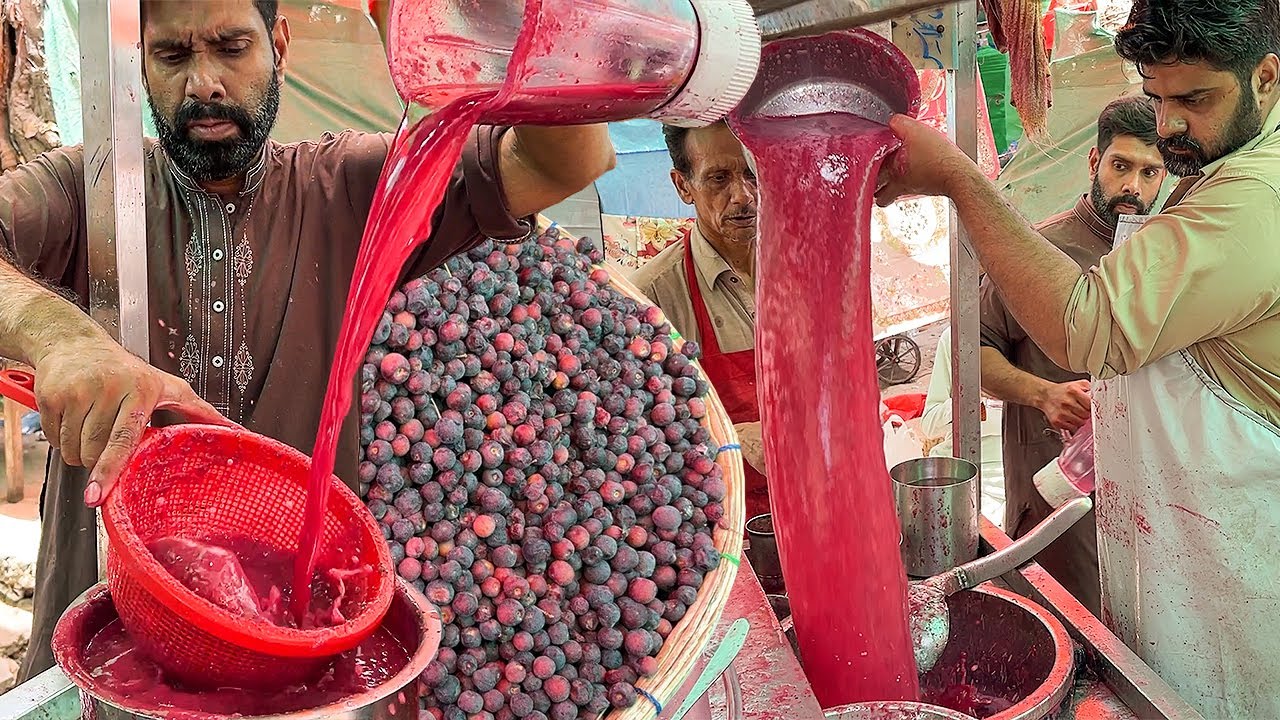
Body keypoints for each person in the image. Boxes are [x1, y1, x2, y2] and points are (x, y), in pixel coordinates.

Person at [2, 0, 616, 680]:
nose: (203, 83)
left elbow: (562, 164)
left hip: (284, 641)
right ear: (140, 63)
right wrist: (59, 335)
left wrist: (523, 22)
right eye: (172, 55)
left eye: (232, 47)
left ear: (280, 44)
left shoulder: (348, 187)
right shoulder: (88, 189)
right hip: (99, 625)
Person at [877, 0, 1280, 713]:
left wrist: (963, 181)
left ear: (1267, 78)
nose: (1169, 126)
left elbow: (1086, 327)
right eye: (1157, 97)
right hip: (1182, 549)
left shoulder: (1256, 197)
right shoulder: (1215, 172)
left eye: (1194, 100)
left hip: (1238, 567)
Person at [979, 96, 1166, 615]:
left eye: (1149, 172)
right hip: (1056, 487)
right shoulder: (1040, 252)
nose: (1133, 186)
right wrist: (1044, 394)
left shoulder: (1163, 255)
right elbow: (973, 352)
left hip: (1143, 494)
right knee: (1064, 623)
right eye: (1121, 166)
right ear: (1094, 161)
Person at [629, 121, 767, 516]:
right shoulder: (650, 297)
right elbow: (636, 436)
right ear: (683, 186)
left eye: (752, 173)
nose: (743, 195)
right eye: (719, 178)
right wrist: (731, 439)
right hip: (719, 519)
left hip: (815, 502)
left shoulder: (806, 269)